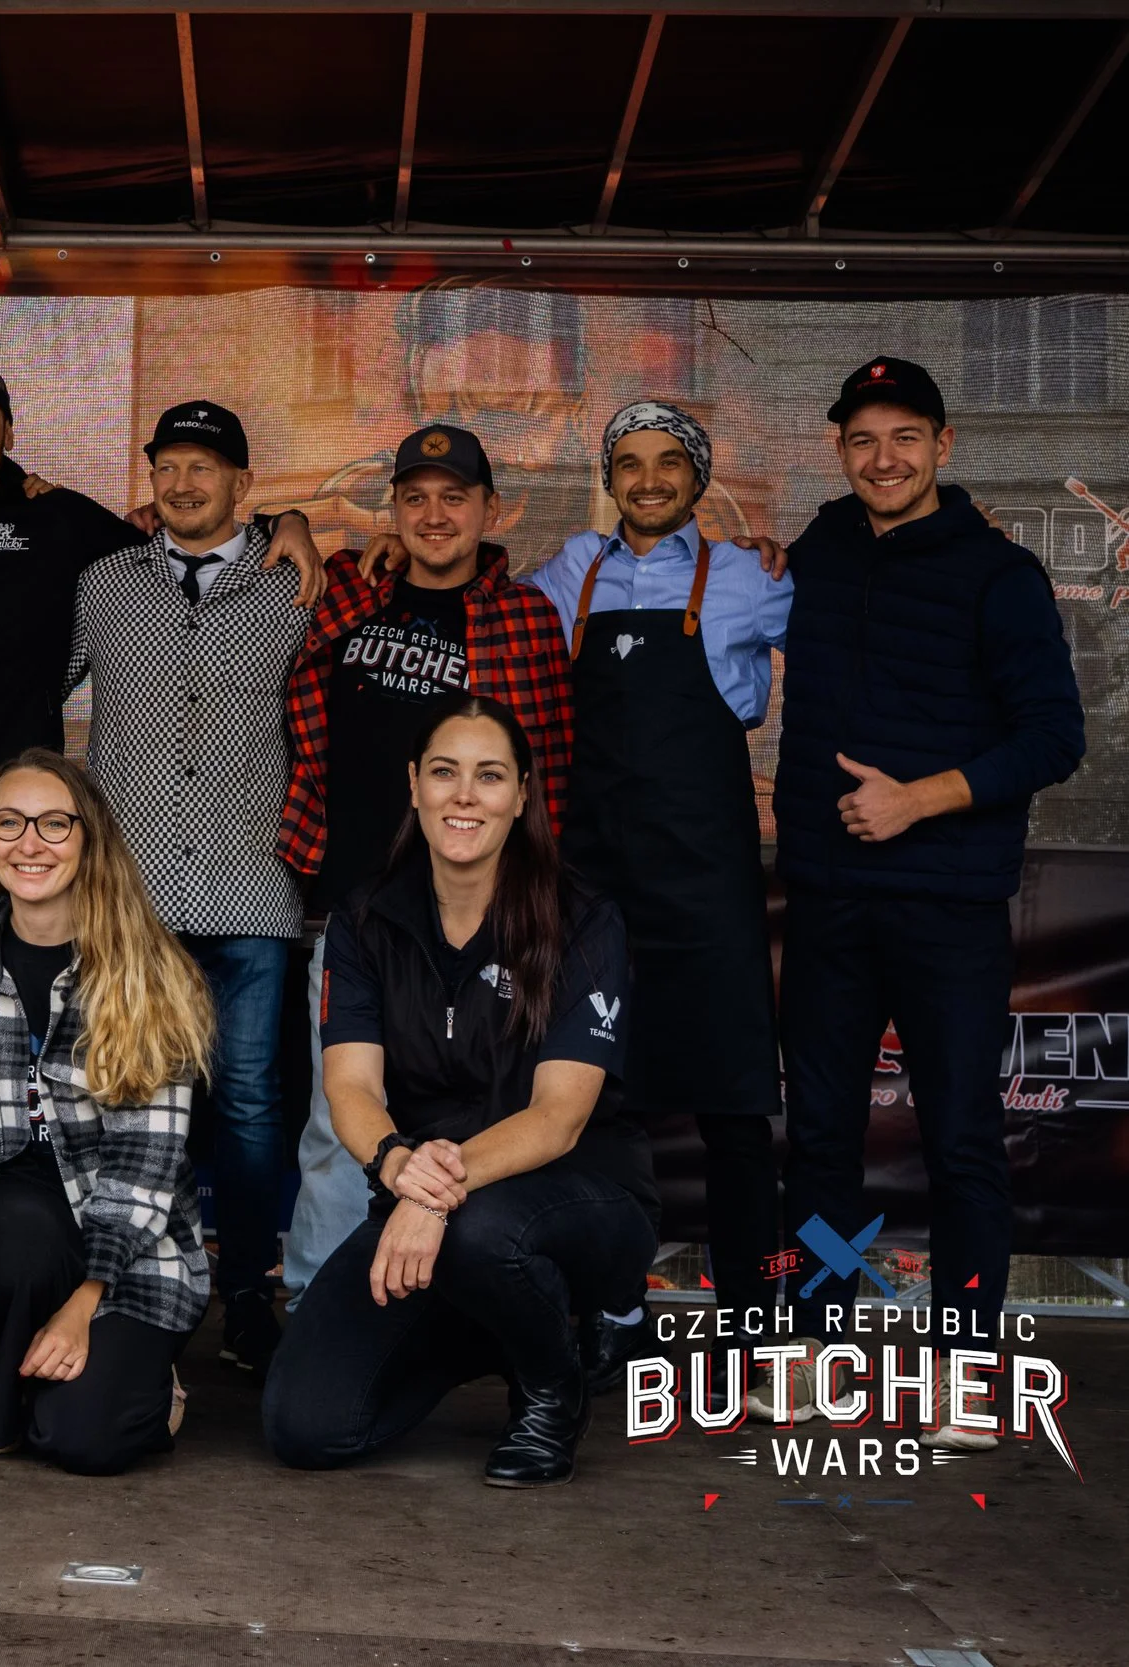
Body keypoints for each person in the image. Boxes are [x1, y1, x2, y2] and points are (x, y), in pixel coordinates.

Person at [772, 357, 1083, 1445]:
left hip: (945, 900)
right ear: (839, 450)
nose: (883, 457)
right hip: (825, 897)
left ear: (943, 446)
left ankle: (961, 1369)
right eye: (862, 438)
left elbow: (1056, 736)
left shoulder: (1000, 573)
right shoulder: (813, 551)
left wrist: (920, 800)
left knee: (959, 1135)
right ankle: (812, 1346)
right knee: (817, 1134)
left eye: (905, 436)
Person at [264, 695, 653, 1488]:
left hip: (577, 1198)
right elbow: (350, 1086)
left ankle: (552, 1387)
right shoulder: (366, 919)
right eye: (444, 773)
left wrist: (433, 1194)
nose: (464, 795)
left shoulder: (583, 919)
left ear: (522, 793)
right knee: (306, 1424)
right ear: (414, 785)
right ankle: (493, 1328)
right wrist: (398, 1165)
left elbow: (559, 1116)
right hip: (426, 1189)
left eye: (489, 775)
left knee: (481, 1233)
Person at [0, 356, 322, 926]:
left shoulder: (59, 518)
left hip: (24, 838)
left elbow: (186, 537)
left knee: (9, 1010)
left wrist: (283, 520)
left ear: (7, 432)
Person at [277, 424, 574, 1313]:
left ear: (491, 509)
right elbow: (217, 528)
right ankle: (320, 1305)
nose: (434, 514)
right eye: (415, 497)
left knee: (492, 1112)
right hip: (355, 916)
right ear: (392, 510)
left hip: (484, 922)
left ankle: (487, 1304)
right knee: (340, 1124)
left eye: (454, 497)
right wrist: (286, 515)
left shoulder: (526, 617)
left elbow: (549, 777)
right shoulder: (345, 596)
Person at [524, 401, 792, 1388]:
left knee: (734, 1117)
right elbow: (487, 618)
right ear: (609, 475)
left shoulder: (752, 579)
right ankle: (612, 1314)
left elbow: (857, 637)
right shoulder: (569, 573)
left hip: (708, 887)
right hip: (594, 888)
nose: (645, 479)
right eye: (627, 463)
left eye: (666, 462)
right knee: (596, 1104)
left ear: (697, 475)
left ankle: (754, 1338)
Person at [0, 750, 212, 1474]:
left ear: (88, 837)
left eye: (54, 823)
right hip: (3, 1226)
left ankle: (140, 1375)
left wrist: (85, 1303)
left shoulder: (150, 972)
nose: (29, 842)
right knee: (14, 1247)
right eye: (10, 821)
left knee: (82, 1439)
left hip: (124, 1241)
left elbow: (144, 1165)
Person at [66, 400, 310, 1372]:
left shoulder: (293, 584)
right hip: (134, 900)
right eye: (166, 465)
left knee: (251, 1105)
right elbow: (25, 680)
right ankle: (137, 1295)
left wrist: (300, 526)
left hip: (253, 891)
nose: (182, 483)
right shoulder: (102, 584)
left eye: (203, 467)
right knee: (135, 1102)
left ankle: (249, 1295)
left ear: (244, 485)